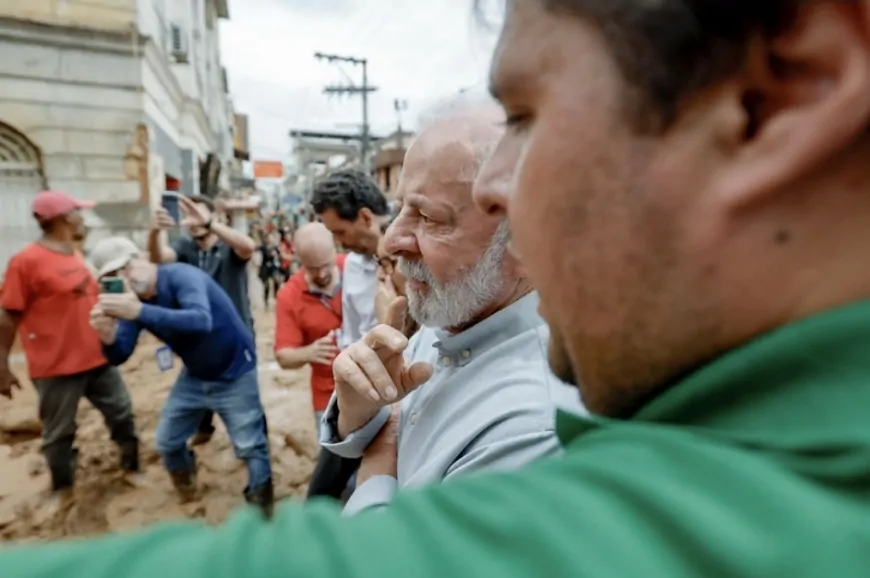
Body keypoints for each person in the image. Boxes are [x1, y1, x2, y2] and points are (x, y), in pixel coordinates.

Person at [4, 1, 870, 575]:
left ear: (778, 96)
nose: (503, 183)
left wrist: (377, 474)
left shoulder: (619, 470)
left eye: (527, 115)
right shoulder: (444, 331)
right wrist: (357, 432)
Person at [322, 94, 583, 514]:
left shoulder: (534, 426)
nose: (391, 240)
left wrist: (376, 468)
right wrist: (361, 410)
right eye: (401, 207)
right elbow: (392, 423)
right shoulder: (456, 311)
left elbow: (385, 563)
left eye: (429, 218)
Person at [87, 237, 273, 516]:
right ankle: (188, 488)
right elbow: (119, 355)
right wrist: (107, 335)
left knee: (250, 445)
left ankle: (262, 508)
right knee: (167, 441)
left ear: (140, 260)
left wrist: (139, 311)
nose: (122, 279)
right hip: (196, 375)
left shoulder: (182, 276)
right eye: (111, 277)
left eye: (123, 270)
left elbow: (200, 319)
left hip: (234, 369)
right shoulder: (134, 303)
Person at [0, 191, 139, 497]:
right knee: (59, 433)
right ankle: (63, 490)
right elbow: (8, 316)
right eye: (78, 213)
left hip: (98, 358)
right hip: (56, 366)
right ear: (65, 219)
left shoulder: (75, 253)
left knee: (122, 413)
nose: (82, 219)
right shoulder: (25, 262)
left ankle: (132, 468)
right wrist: (2, 365)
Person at [306, 170, 392, 499]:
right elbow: (352, 331)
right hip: (359, 392)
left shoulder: (413, 255)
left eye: (339, 231)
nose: (338, 242)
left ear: (365, 217)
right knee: (322, 491)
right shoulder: (354, 264)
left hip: (400, 394)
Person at [148, 194, 257, 447]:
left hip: (236, 337)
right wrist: (154, 232)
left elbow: (248, 247)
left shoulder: (229, 247)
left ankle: (252, 443)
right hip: (198, 335)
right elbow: (158, 260)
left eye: (197, 215)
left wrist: (210, 223)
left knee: (244, 395)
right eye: (189, 217)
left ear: (212, 218)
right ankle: (204, 428)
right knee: (198, 382)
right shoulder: (186, 248)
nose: (192, 222)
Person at [274, 223, 344, 424]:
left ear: (335, 249)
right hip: (328, 396)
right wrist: (309, 352)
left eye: (325, 264)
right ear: (299, 259)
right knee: (332, 453)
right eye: (312, 268)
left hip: (373, 386)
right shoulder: (289, 296)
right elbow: (283, 356)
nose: (321, 274)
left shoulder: (356, 269)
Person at [257, 231, 283, 309]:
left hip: (273, 267)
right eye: (269, 238)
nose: (270, 239)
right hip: (265, 267)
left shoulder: (275, 247)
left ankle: (276, 299)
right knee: (266, 285)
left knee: (276, 282)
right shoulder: (263, 247)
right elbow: (255, 251)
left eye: (271, 238)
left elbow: (280, 255)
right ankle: (266, 301)